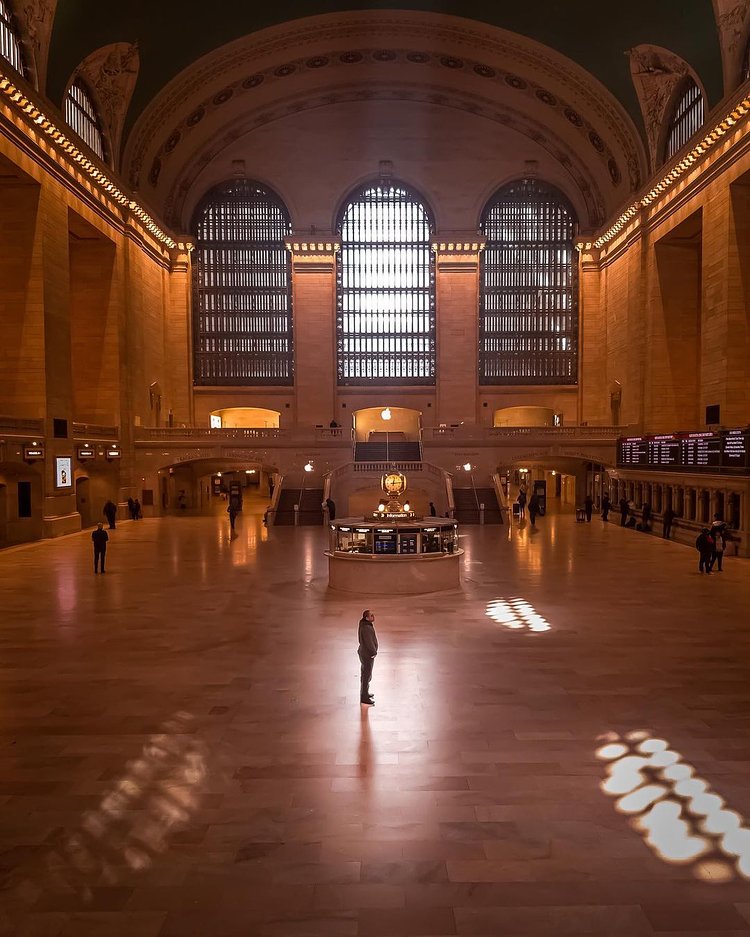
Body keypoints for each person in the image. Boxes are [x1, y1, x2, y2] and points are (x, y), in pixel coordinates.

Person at [358, 609, 378, 706]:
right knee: (366, 676)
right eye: (371, 615)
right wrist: (373, 652)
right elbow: (369, 642)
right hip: (367, 655)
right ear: (367, 618)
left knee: (366, 675)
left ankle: (365, 693)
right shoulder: (366, 628)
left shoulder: (365, 625)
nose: (373, 616)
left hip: (364, 653)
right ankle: (364, 697)